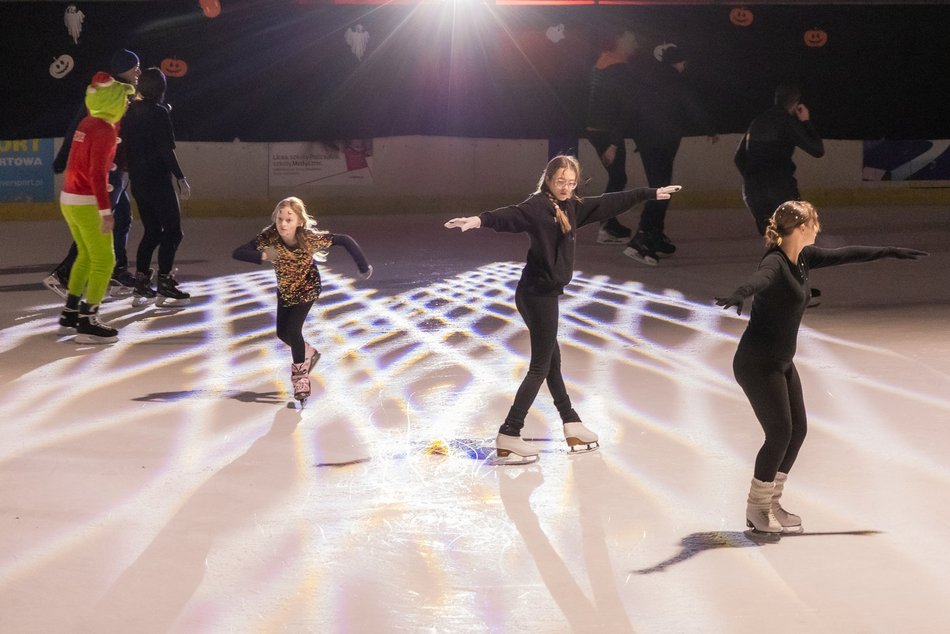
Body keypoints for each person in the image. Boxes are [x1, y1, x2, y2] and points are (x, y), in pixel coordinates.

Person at [445, 154, 682, 464]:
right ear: (549, 179)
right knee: (541, 367)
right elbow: (511, 215)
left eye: (571, 183)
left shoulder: (572, 205)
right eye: (560, 182)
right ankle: (509, 433)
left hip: (541, 294)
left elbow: (610, 202)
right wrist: (479, 220)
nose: (566, 187)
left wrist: (648, 193)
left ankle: (571, 422)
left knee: (552, 364)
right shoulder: (537, 206)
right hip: (537, 295)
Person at [715, 200, 927, 534]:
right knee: (779, 433)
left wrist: (889, 250)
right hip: (757, 363)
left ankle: (771, 503)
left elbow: (845, 254)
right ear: (802, 228)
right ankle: (756, 509)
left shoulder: (803, 258)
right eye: (816, 222)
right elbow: (759, 279)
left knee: (797, 431)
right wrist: (741, 293)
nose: (819, 228)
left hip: (781, 361)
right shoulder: (776, 262)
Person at [232, 197, 373, 404]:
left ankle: (301, 379)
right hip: (286, 291)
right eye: (280, 218)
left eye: (289, 219)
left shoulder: (308, 238)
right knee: (282, 333)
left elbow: (344, 240)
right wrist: (263, 255)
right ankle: (309, 353)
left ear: (299, 221)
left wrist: (363, 266)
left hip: (307, 290)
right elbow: (238, 252)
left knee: (294, 331)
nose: (283, 224)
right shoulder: (270, 236)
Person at [45, 49, 142, 298]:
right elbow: (79, 125)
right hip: (109, 170)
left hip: (119, 168)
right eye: (135, 67)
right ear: (123, 69)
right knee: (99, 224)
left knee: (122, 219)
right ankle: (63, 276)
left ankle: (116, 270)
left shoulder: (126, 94)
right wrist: (62, 157)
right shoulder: (110, 95)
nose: (138, 72)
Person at [56, 72, 136, 343]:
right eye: (123, 101)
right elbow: (95, 173)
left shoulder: (88, 122)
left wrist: (109, 165)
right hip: (87, 203)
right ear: (112, 101)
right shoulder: (103, 130)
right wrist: (105, 212)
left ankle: (70, 312)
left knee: (86, 258)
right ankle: (88, 321)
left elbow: (82, 160)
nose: (126, 105)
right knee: (105, 261)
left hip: (70, 198)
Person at [624, 43, 718, 266]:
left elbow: (632, 108)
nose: (685, 66)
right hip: (662, 143)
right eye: (683, 62)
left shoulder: (648, 80)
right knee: (662, 189)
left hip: (648, 143)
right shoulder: (675, 81)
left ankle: (655, 234)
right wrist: (710, 128)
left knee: (662, 188)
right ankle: (640, 239)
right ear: (678, 63)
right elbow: (691, 106)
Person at [122, 67, 192, 307]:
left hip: (139, 183)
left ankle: (141, 283)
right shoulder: (160, 113)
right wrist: (180, 178)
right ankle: (164, 282)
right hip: (159, 183)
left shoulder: (130, 112)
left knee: (152, 231)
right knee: (173, 231)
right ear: (161, 88)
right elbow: (165, 150)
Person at [734, 84, 824, 236]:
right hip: (780, 188)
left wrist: (754, 178)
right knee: (796, 237)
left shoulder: (756, 122)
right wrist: (806, 121)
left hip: (753, 191)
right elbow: (817, 150)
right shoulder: (787, 121)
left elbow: (738, 158)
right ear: (796, 104)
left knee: (774, 241)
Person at [585, 27, 640, 245]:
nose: (636, 44)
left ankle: (608, 223)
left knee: (617, 177)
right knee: (618, 178)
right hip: (607, 132)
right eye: (632, 39)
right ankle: (606, 226)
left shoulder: (602, 62)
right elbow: (624, 110)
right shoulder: (619, 70)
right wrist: (614, 144)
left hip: (597, 129)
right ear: (620, 41)